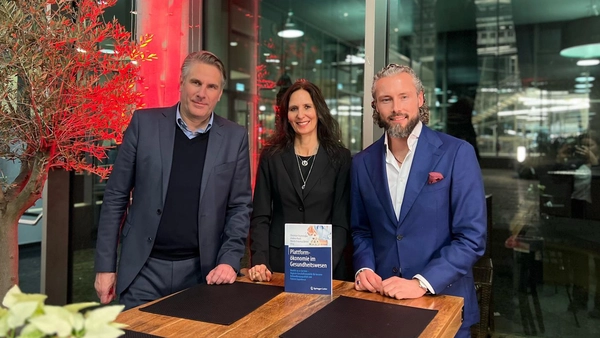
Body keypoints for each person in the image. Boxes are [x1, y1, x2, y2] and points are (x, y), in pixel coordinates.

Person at [94, 51, 252, 309]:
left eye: (211, 86)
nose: (202, 93)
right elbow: (115, 197)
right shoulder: (144, 124)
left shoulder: (235, 138)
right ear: (181, 82)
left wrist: (229, 260)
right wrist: (105, 266)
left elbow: (239, 207)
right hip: (142, 272)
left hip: (202, 273)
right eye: (196, 82)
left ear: (219, 93)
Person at [351, 64, 487, 337]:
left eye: (404, 96)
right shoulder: (361, 163)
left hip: (444, 305)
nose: (396, 108)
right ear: (376, 106)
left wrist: (421, 283)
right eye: (386, 99)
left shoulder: (457, 153)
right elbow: (361, 229)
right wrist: (364, 267)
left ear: (420, 99)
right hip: (382, 304)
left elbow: (472, 237)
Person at [249, 79, 352, 282]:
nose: (300, 115)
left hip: (326, 265)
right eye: (293, 108)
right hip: (277, 265)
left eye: (307, 107)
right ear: (286, 115)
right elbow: (261, 215)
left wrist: (325, 265)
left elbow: (341, 221)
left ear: (319, 110)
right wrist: (260, 259)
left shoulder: (340, 157)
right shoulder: (272, 156)